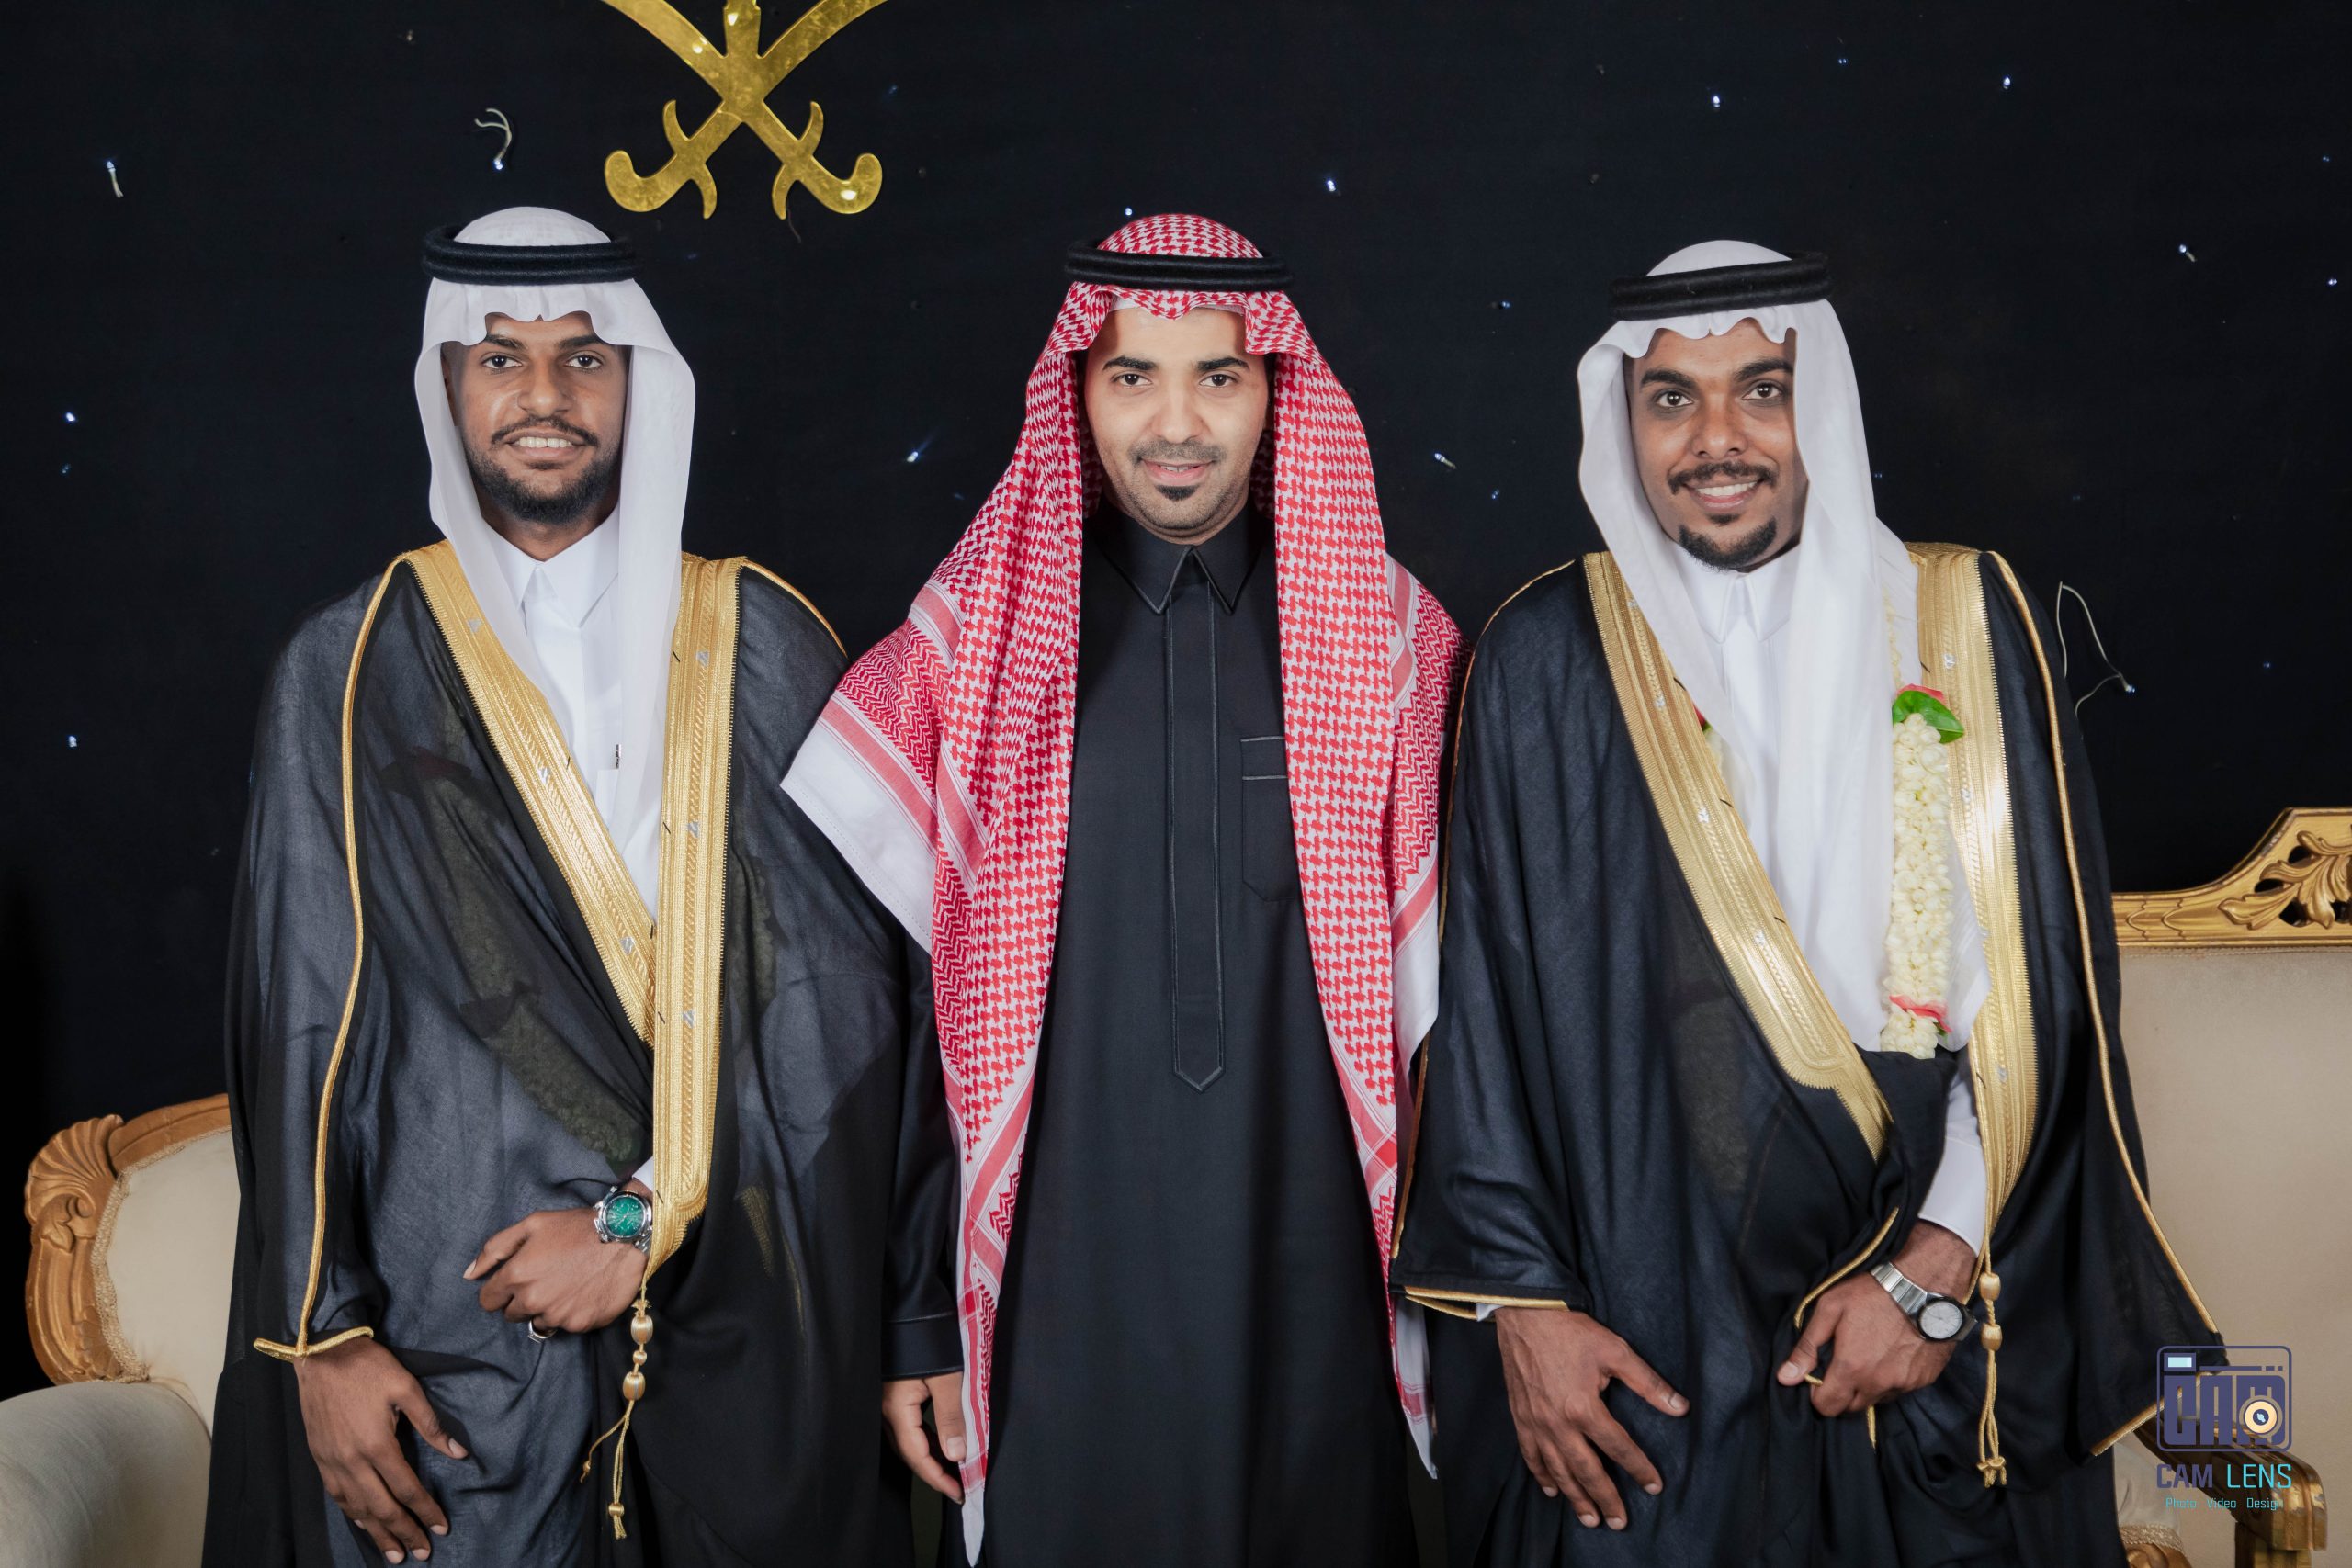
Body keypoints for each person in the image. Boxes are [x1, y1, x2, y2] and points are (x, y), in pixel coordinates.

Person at [1392, 242, 2220, 1567]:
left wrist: (1934, 1271)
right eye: (1672, 398)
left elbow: (2045, 997)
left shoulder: (1960, 621)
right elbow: (1479, 1024)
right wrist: (1523, 1315)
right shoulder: (1545, 654)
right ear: (1624, 420)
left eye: (1760, 390)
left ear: (1816, 403)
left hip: (1926, 1310)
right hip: (1646, 1310)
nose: (1717, 438)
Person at [203, 206, 955, 1567]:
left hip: (742, 1333)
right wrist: (323, 1334)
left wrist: (638, 1218)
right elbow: (300, 1019)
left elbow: (846, 1014)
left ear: (638, 381)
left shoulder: (765, 641)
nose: (543, 395)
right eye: (500, 358)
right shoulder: (350, 669)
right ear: (446, 384)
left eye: (583, 357)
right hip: (453, 1353)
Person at [784, 214, 1462, 1566]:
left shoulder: (1397, 647)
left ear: (1275, 391)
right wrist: (921, 1318)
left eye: (1219, 376)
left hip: (1316, 1292)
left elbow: (1462, 1024)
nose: (1177, 425)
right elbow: (909, 1017)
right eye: (1133, 376)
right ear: (1078, 393)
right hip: (1055, 1302)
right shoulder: (971, 651)